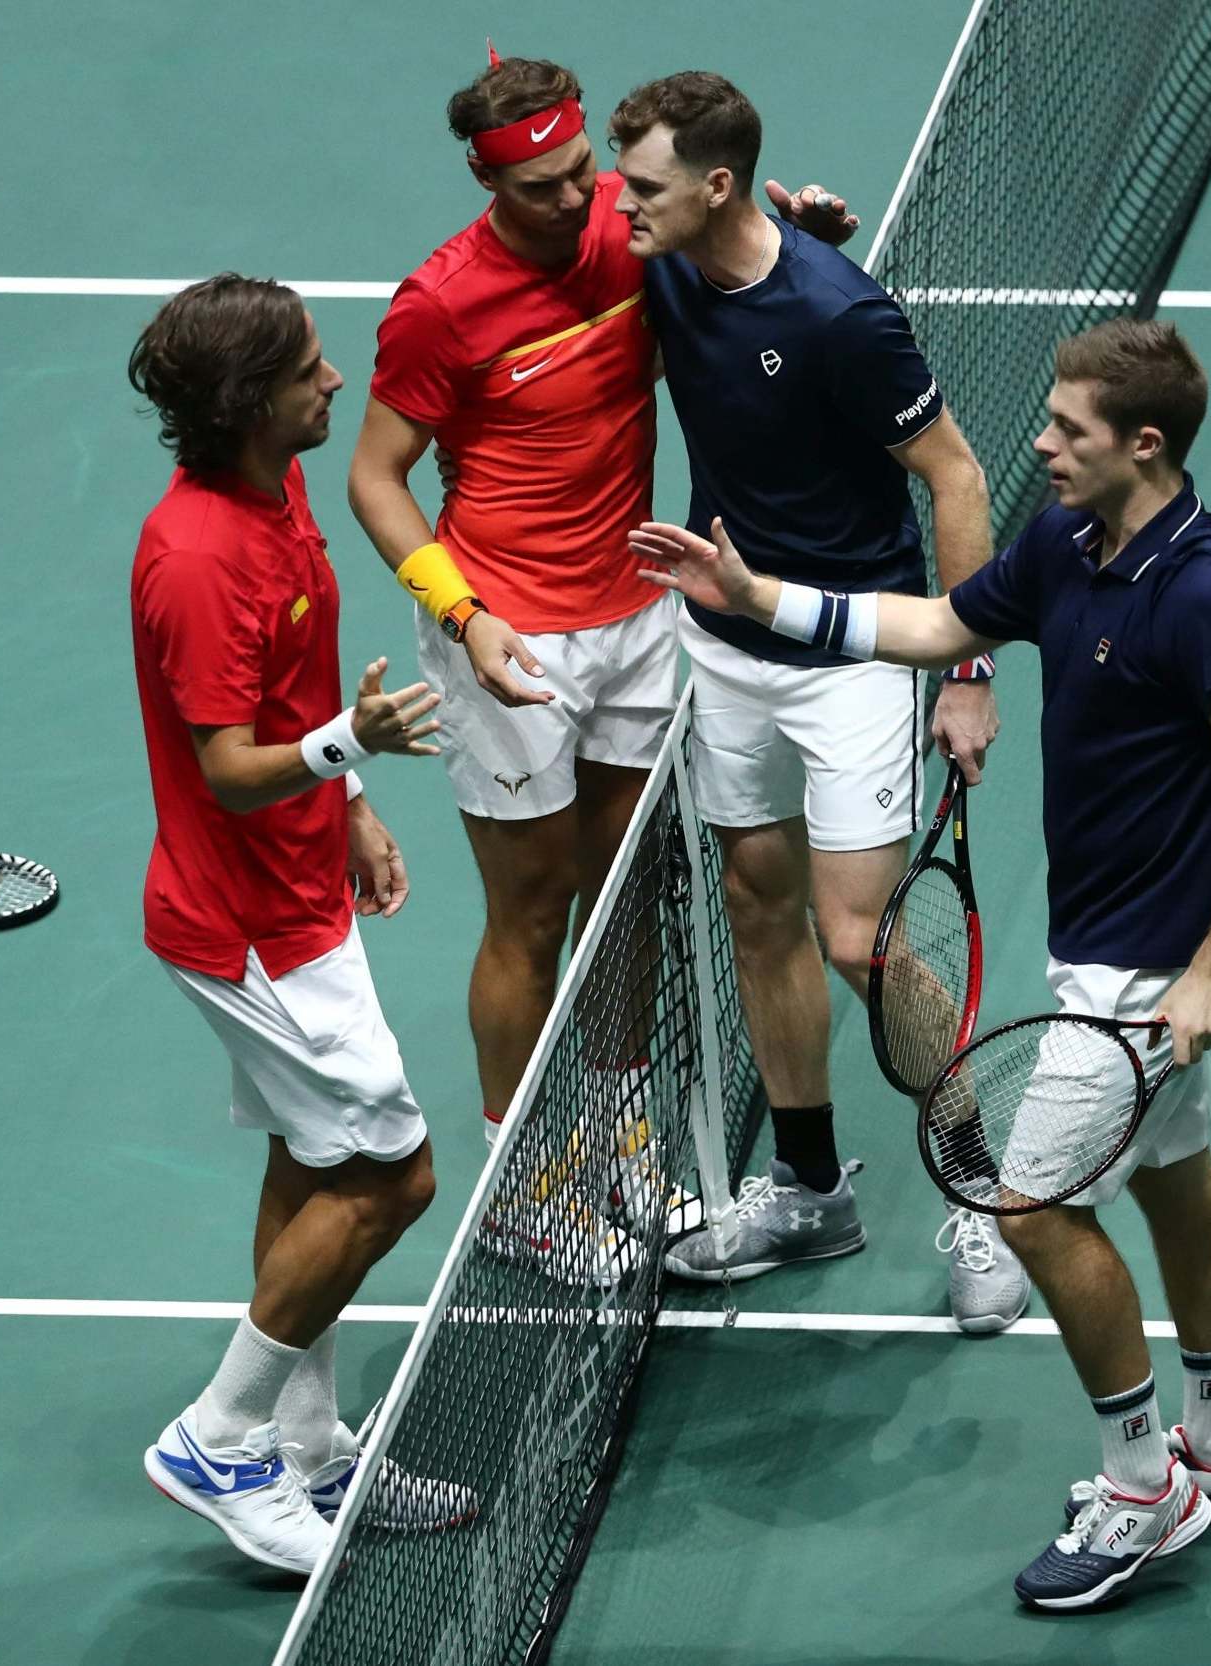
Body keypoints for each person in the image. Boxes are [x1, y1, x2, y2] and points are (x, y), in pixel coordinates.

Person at [632, 317, 1211, 1610]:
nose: (1040, 442)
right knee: (1173, 1181)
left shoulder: (1205, 591)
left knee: (1031, 1207)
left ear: (1143, 444)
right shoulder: (1067, 538)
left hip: (1145, 977)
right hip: (1100, 944)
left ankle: (1140, 1487)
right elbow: (940, 625)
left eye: (1067, 427)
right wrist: (760, 598)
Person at [347, 48, 857, 1285]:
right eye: (544, 191)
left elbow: (735, 262)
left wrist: (805, 239)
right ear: (486, 181)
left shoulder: (628, 237)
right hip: (506, 631)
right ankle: (528, 1180)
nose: (579, 205)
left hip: (636, 612)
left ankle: (621, 1133)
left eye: (586, 176)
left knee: (623, 894)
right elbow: (375, 479)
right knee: (530, 911)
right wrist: (463, 619)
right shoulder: (439, 305)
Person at [606, 71, 1027, 1331]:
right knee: (755, 905)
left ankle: (980, 1192)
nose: (620, 209)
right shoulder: (666, 261)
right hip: (723, 641)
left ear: (717, 184)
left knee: (858, 940)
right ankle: (805, 1190)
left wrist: (964, 668)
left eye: (643, 187)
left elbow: (955, 476)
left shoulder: (843, 317)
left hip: (851, 652)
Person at [126, 274, 471, 1576]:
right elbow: (226, 761)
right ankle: (218, 1437)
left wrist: (355, 801)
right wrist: (346, 745)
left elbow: (297, 687)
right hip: (244, 923)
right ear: (250, 401)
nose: (336, 384)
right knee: (392, 1175)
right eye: (312, 370)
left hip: (302, 888)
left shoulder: (279, 488)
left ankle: (309, 1449)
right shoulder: (201, 556)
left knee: (315, 1163)